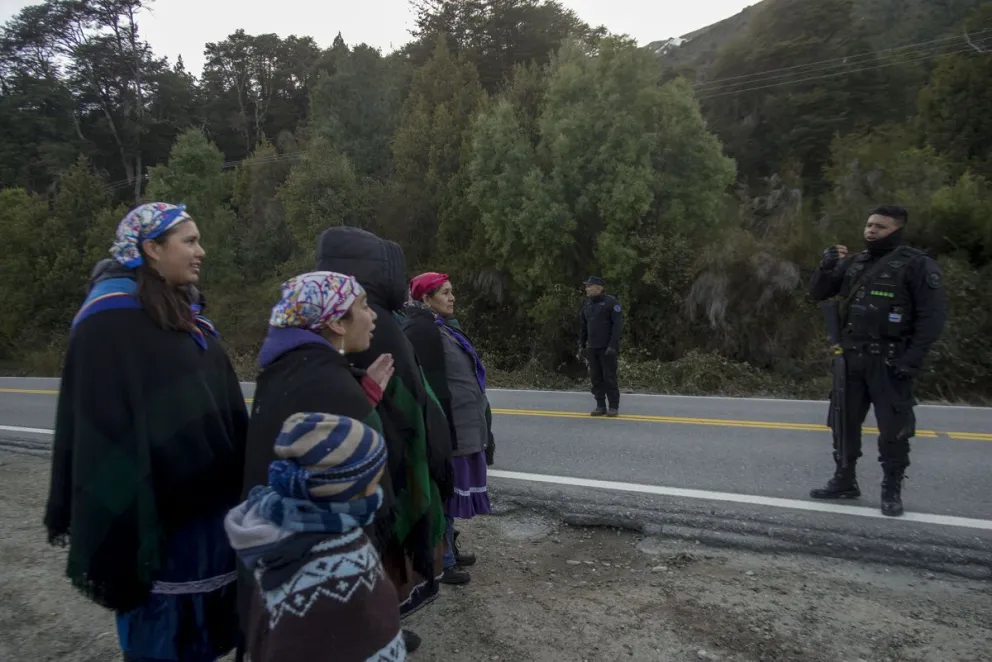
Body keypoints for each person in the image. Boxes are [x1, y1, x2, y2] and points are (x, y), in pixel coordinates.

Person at [44, 202, 249, 662]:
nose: (202, 251)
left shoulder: (189, 316)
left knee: (204, 636)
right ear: (150, 249)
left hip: (209, 516)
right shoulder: (107, 321)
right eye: (189, 241)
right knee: (161, 636)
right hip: (153, 518)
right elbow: (103, 430)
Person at [237, 271, 402, 655]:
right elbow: (364, 492)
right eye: (362, 307)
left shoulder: (288, 368)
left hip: (279, 575)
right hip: (319, 586)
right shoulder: (328, 383)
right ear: (334, 322)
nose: (373, 316)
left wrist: (363, 396)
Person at [316, 227, 452, 641]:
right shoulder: (353, 329)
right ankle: (375, 628)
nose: (368, 315)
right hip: (383, 464)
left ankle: (382, 622)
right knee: (378, 544)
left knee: (383, 546)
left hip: (389, 460)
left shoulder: (377, 320)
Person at [226, 412, 406, 662]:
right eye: (374, 477)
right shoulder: (336, 568)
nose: (379, 484)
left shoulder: (285, 535)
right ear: (348, 486)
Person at [807, 204, 947, 517]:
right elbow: (817, 293)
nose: (871, 231)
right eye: (869, 225)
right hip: (850, 359)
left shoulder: (917, 265)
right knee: (843, 424)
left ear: (897, 229)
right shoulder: (854, 263)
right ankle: (844, 481)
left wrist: (912, 360)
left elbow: (932, 319)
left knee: (894, 429)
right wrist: (826, 266)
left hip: (890, 361)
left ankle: (891, 489)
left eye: (880, 227)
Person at [403, 272, 494, 586]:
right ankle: (445, 562)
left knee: (452, 492)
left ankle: (449, 548)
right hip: (449, 427)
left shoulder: (443, 328)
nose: (452, 297)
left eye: (452, 291)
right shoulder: (423, 330)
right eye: (444, 292)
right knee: (445, 493)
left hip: (464, 424)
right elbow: (433, 386)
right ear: (426, 299)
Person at [578, 276, 623, 417]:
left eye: (588, 286)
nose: (586, 289)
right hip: (592, 348)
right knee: (596, 378)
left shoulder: (611, 303)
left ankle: (613, 407)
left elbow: (617, 326)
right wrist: (581, 344)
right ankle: (600, 406)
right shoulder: (587, 305)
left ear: (598, 287)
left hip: (607, 348)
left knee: (609, 377)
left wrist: (612, 345)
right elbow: (583, 327)